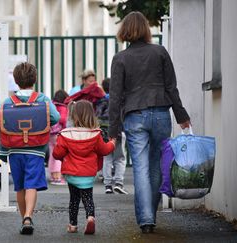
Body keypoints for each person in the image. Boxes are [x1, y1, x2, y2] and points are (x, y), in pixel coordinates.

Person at [109, 12, 191, 234]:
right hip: (161, 114)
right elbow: (171, 88)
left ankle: (146, 220)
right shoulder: (160, 52)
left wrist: (113, 131)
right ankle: (149, 215)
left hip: (135, 116)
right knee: (156, 167)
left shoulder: (120, 59)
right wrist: (182, 116)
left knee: (141, 169)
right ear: (145, 29)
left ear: (124, 31)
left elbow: (115, 97)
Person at [0, 62, 60, 235]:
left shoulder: (9, 100)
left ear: (15, 80)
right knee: (32, 185)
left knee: (19, 186)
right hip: (35, 148)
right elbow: (56, 117)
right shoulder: (42, 98)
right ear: (35, 79)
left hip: (14, 149)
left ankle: (24, 219)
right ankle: (28, 216)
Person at [52, 100, 116, 234]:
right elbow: (104, 150)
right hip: (87, 173)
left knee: (74, 199)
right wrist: (112, 143)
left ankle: (73, 225)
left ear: (73, 115)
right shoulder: (95, 134)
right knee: (88, 198)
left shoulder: (66, 134)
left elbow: (57, 154)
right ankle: (90, 217)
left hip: (72, 173)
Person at [99, 78, 128, 194]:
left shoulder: (101, 102)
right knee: (120, 158)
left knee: (107, 159)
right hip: (118, 132)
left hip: (104, 133)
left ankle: (107, 185)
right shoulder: (120, 100)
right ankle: (118, 183)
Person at [48, 90, 69, 185]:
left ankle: (52, 175)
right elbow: (63, 119)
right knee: (59, 155)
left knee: (52, 154)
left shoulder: (51, 105)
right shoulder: (62, 107)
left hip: (49, 133)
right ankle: (58, 177)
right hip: (58, 133)